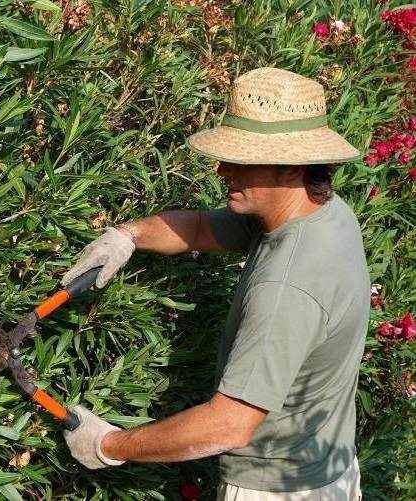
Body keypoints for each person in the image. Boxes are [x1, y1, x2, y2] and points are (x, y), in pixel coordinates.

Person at [60, 67, 368, 500]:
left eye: (241, 160)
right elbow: (203, 228)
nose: (222, 169)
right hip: (329, 468)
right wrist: (127, 236)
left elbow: (228, 425)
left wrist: (109, 445)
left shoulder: (287, 288)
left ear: (293, 167)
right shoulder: (322, 212)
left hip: (277, 490)